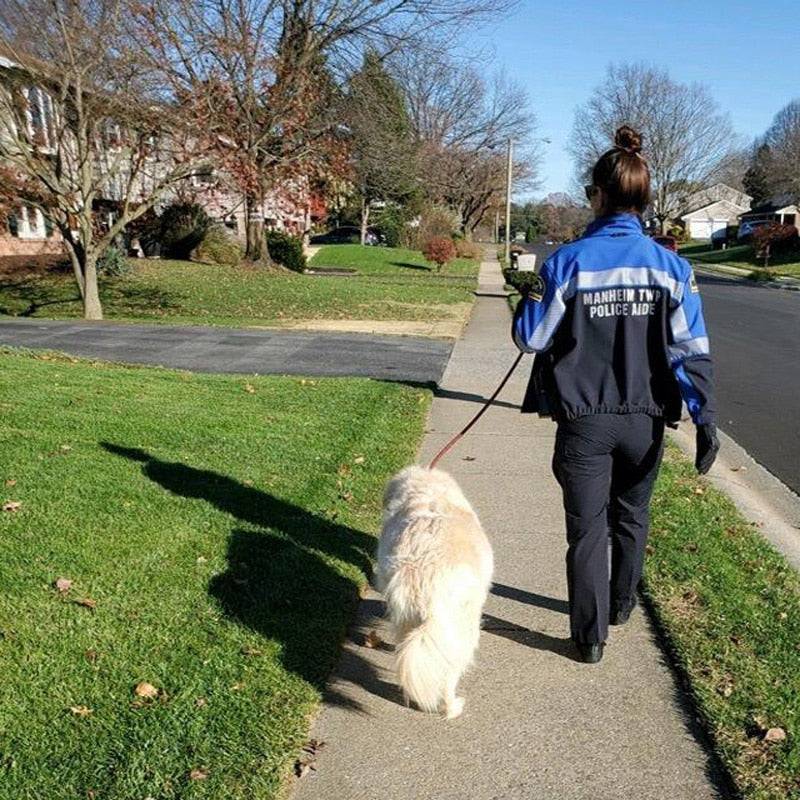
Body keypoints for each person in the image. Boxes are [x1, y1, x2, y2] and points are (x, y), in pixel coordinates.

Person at [511, 125, 719, 664]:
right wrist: (706, 417)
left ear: (599, 197)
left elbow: (530, 338)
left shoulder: (566, 263)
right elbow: (690, 350)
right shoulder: (674, 269)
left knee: (586, 531)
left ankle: (590, 636)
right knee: (631, 516)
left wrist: (528, 296)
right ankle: (622, 606)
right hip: (645, 421)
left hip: (584, 419)